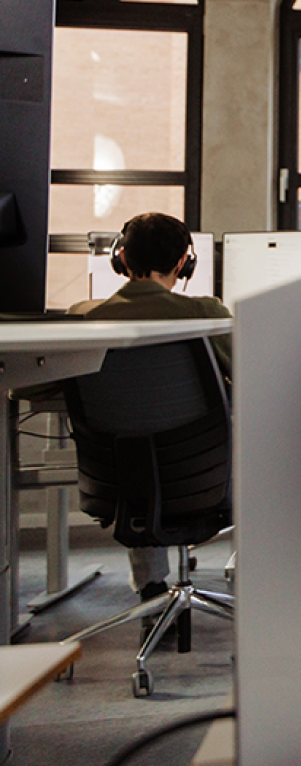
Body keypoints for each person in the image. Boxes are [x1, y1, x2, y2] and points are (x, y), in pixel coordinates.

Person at [15, 213, 231, 619]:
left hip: (117, 483)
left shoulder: (87, 318)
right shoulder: (205, 314)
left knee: (136, 453)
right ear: (185, 263)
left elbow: (27, 387)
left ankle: (151, 589)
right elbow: (256, 372)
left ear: (122, 260)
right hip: (203, 479)